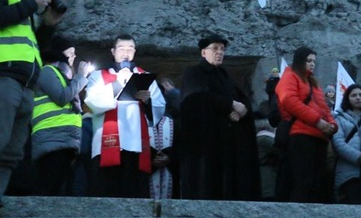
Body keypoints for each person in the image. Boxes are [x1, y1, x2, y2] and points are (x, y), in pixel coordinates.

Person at [0, 0, 62, 218]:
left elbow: (31, 45)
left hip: (25, 85)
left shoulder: (25, 3)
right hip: (3, 78)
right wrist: (32, 5)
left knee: (11, 155)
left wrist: (47, 26)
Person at [180, 34, 260, 200]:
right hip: (206, 143)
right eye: (215, 48)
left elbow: (241, 99)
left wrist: (239, 110)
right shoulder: (194, 73)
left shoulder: (224, 76)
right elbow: (195, 98)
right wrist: (229, 104)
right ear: (203, 52)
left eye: (222, 49)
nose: (219, 52)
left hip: (226, 142)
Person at [85, 34, 166, 198]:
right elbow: (92, 103)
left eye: (130, 49)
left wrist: (147, 101)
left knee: (134, 192)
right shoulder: (99, 76)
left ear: (135, 52)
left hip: (136, 142)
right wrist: (117, 85)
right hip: (106, 144)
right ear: (113, 51)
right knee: (106, 191)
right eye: (121, 48)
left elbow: (159, 107)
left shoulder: (145, 76)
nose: (126, 53)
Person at [31, 36, 93, 196]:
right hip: (51, 138)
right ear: (59, 53)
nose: (73, 57)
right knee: (48, 184)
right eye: (70, 53)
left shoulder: (65, 77)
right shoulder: (47, 71)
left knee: (59, 185)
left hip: (64, 139)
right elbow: (61, 97)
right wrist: (81, 76)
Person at [275, 46, 337, 203]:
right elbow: (289, 101)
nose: (312, 64)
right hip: (300, 136)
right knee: (303, 180)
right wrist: (318, 121)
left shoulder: (313, 83)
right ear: (300, 61)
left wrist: (332, 124)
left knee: (318, 183)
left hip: (319, 136)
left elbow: (324, 107)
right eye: (308, 61)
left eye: (314, 61)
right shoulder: (290, 77)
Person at [332, 84, 361, 204]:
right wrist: (358, 157)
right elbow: (338, 143)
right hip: (347, 170)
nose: (358, 98)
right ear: (347, 98)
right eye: (354, 95)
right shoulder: (339, 118)